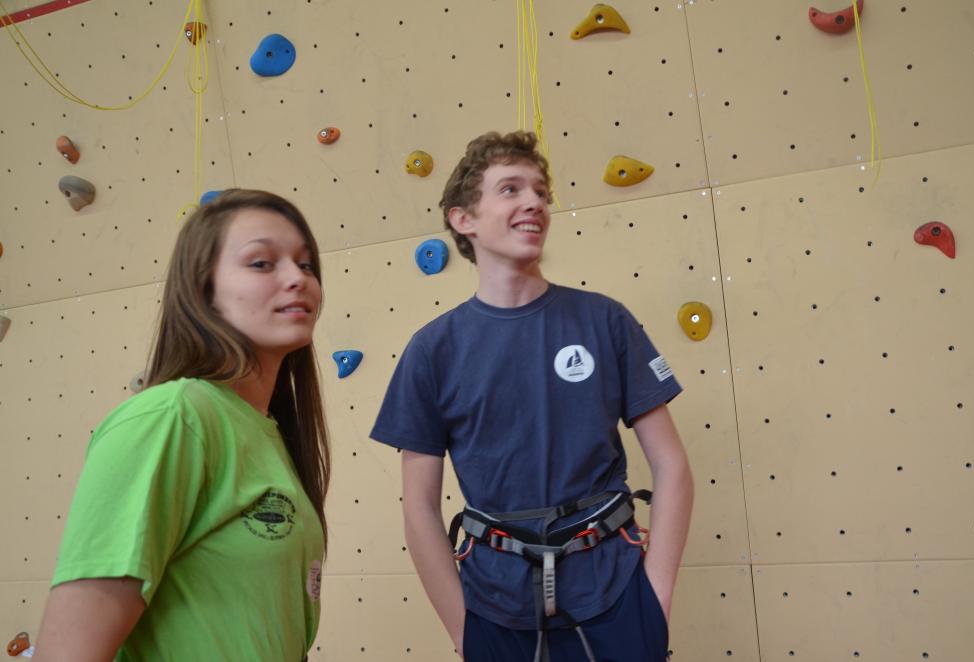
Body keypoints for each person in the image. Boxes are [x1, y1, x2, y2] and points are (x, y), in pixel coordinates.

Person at [370, 131, 694, 661]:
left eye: (541, 192)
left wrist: (655, 600)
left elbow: (672, 465)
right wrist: (462, 632)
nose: (535, 203)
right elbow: (420, 508)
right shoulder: (432, 351)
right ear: (463, 219)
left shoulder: (605, 321)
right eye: (511, 189)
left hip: (616, 596)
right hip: (494, 608)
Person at [33, 189, 331, 662]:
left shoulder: (267, 430)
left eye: (306, 264)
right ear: (202, 290)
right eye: (261, 263)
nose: (298, 278)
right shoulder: (171, 417)